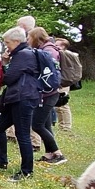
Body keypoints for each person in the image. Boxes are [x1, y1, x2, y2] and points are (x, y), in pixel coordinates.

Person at [0, 27, 40, 180]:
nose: (6, 46)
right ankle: (1, 160)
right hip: (17, 98)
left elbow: (8, 78)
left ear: (17, 41)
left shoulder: (23, 55)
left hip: (23, 98)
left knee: (22, 134)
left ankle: (27, 171)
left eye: (7, 43)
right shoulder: (21, 54)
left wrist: (4, 63)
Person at [27, 28, 67, 165]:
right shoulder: (48, 49)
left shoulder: (48, 51)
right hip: (48, 93)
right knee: (46, 124)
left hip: (48, 93)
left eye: (29, 38)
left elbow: (47, 73)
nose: (27, 41)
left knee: (37, 124)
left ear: (36, 38)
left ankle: (58, 153)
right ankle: (50, 153)